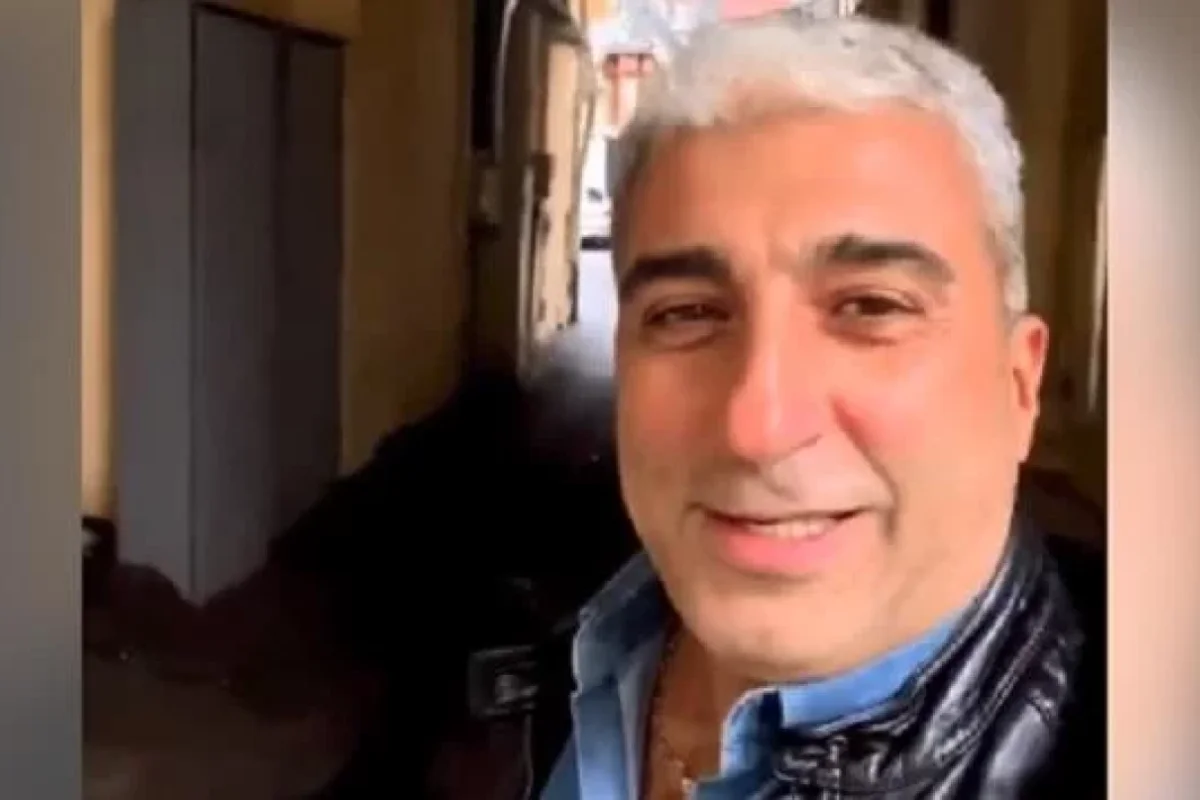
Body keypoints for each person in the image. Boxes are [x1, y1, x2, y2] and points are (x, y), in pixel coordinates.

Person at [538, 10, 1105, 800]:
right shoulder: (481, 637)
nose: (759, 428)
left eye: (872, 307)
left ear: (1019, 384)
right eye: (688, 313)